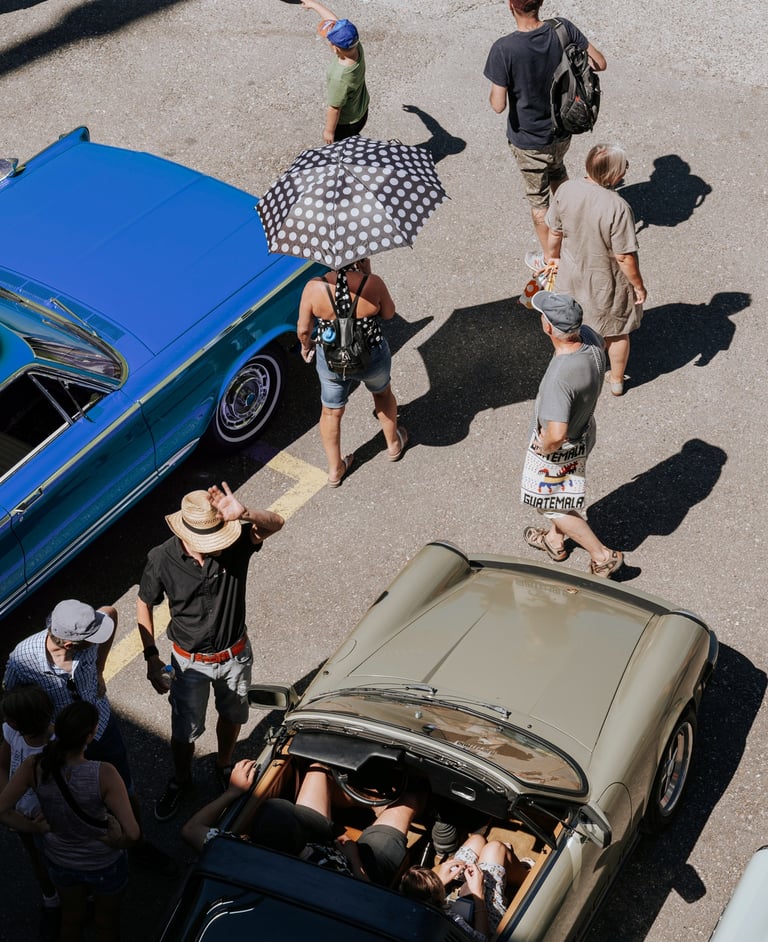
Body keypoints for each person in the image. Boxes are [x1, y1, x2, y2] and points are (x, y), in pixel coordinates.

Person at [136, 483, 284, 821]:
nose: (211, 547)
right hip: (189, 665)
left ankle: (223, 765)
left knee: (232, 716)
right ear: (185, 533)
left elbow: (277, 523)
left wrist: (244, 513)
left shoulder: (235, 542)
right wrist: (150, 656)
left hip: (235, 656)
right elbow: (145, 601)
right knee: (183, 731)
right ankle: (182, 779)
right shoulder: (161, 558)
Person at [0, 701, 140, 942]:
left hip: (60, 860)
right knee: (105, 923)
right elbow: (133, 833)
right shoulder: (104, 773)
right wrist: (116, 840)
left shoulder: (34, 766)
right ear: (90, 735)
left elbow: (3, 809)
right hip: (103, 862)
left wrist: (34, 827)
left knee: (71, 918)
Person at [484, 0, 606, 254]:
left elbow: (498, 105)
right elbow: (600, 63)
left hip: (528, 139)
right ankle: (572, 226)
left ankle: (552, 258)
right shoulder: (563, 28)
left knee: (539, 200)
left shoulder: (504, 48)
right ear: (540, 3)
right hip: (562, 129)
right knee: (557, 168)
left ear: (510, 6)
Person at [183, 760, 425, 887]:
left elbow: (190, 830)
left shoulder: (240, 857)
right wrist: (354, 858)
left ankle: (377, 807)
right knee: (411, 798)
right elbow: (365, 897)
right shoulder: (314, 887)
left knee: (319, 768)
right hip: (357, 873)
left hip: (318, 841)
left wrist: (232, 793)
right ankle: (389, 809)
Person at [522, 291, 624, 577]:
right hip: (585, 431)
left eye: (543, 316)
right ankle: (555, 540)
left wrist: (546, 447)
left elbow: (556, 431)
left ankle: (602, 556)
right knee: (561, 495)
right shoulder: (590, 338)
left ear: (548, 327)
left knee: (550, 505)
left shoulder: (560, 377)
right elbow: (602, 342)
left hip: (561, 448)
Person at [544, 144, 648, 396]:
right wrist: (638, 285)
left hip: (571, 275)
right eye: (624, 168)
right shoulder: (617, 207)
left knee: (572, 329)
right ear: (613, 175)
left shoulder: (566, 189)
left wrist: (553, 258)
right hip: (606, 281)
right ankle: (616, 380)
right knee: (617, 333)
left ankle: (577, 374)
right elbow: (623, 256)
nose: (626, 172)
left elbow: (554, 231)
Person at [298, 265, 408, 486]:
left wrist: (305, 345)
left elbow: (303, 329)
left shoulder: (313, 288)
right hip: (371, 354)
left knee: (331, 412)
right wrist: (367, 273)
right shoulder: (373, 283)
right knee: (382, 394)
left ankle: (335, 469)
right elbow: (388, 313)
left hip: (331, 359)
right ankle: (394, 443)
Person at [0, 685, 60, 940]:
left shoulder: (59, 747)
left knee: (62, 859)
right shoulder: (12, 734)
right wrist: (9, 801)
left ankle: (78, 896)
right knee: (36, 858)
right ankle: (51, 900)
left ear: (18, 722)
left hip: (52, 821)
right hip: (23, 814)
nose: (5, 722)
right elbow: (2, 765)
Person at [401, 834, 528, 941]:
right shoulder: (444, 925)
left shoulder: (405, 913)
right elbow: (482, 938)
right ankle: (528, 877)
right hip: (482, 921)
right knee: (496, 848)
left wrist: (438, 882)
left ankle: (501, 861)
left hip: (449, 905)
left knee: (477, 840)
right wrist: (478, 895)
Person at [301, 1, 369, 143]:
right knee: (352, 140)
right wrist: (314, 5)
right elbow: (333, 21)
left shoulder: (340, 77)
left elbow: (334, 109)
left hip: (346, 123)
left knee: (341, 148)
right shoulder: (356, 47)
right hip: (361, 111)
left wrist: (329, 131)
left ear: (335, 48)